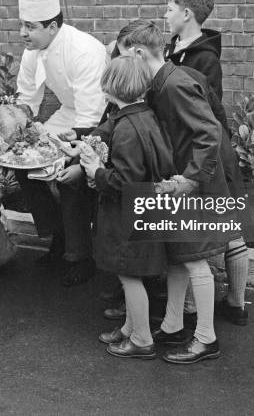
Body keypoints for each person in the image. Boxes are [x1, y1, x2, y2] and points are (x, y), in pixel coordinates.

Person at [122, 20, 239, 364]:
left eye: (127, 56)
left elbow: (208, 132)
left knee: (196, 259)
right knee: (179, 257)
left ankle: (206, 338)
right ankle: (173, 325)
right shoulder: (167, 80)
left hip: (192, 183)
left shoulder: (173, 86)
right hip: (183, 179)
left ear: (140, 53)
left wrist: (189, 181)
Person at [14, 0, 107, 286]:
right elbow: (27, 99)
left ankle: (81, 255)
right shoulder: (32, 51)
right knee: (24, 166)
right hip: (71, 113)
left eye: (30, 26)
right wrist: (17, 129)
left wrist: (71, 156)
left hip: (99, 119)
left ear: (53, 26)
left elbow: (90, 118)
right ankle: (58, 236)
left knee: (68, 176)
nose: (23, 32)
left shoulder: (84, 50)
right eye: (22, 24)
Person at [164, 0, 249, 325]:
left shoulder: (205, 58)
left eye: (169, 9)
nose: (165, 14)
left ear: (186, 14)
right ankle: (203, 306)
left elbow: (203, 111)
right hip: (196, 145)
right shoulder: (175, 47)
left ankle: (232, 303)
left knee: (221, 226)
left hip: (207, 148)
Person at [79, 55, 175, 360]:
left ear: (112, 87)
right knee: (130, 274)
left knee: (128, 276)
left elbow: (125, 180)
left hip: (127, 217)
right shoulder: (143, 116)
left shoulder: (126, 129)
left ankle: (142, 339)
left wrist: (96, 170)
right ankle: (130, 328)